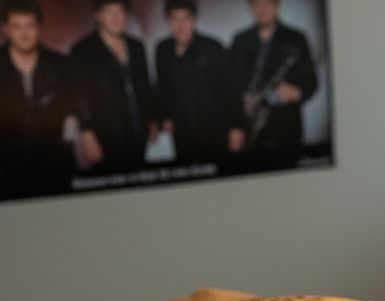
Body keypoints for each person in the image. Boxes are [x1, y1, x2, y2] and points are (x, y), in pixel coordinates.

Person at [69, 0, 155, 175]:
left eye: (121, 12)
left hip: (138, 132)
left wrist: (152, 119)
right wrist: (87, 134)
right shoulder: (83, 50)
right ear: (98, 15)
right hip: (104, 135)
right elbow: (78, 95)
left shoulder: (136, 46)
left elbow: (145, 87)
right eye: (109, 12)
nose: (116, 18)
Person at [228, 0, 315, 171]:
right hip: (249, 130)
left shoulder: (296, 38)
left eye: (267, 3)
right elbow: (230, 88)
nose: (262, 9)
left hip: (285, 133)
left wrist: (296, 92)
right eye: (256, 4)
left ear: (277, 5)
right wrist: (235, 125)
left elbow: (311, 82)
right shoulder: (240, 40)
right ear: (251, 8)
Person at [0, 0, 75, 198]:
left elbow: (74, 109)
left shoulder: (60, 65)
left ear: (40, 28)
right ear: (5, 29)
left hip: (54, 166)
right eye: (17, 26)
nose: (24, 33)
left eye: (30, 25)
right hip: (6, 169)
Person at [154, 0, 240, 167]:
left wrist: (236, 127)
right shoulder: (162, 49)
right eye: (174, 19)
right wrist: (164, 116)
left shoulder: (213, 47)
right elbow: (162, 88)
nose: (181, 25)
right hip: (182, 133)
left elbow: (232, 89)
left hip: (215, 131)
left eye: (186, 18)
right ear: (168, 22)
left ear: (194, 20)